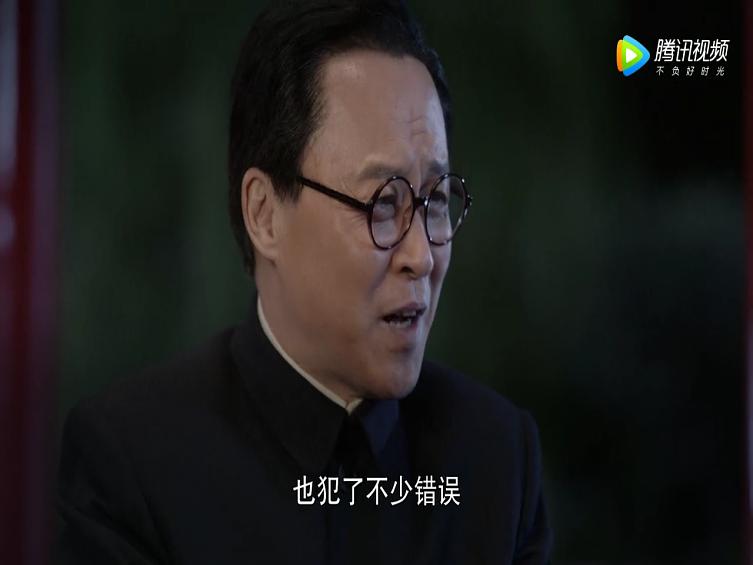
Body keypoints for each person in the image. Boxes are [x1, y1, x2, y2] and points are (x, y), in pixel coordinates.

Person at [56, 1, 553, 563]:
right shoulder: (134, 465)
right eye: (382, 203)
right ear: (265, 213)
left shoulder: (495, 460)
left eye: (434, 201)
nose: (421, 256)